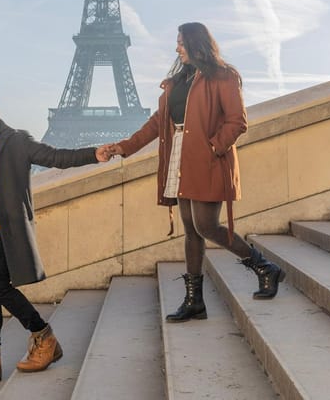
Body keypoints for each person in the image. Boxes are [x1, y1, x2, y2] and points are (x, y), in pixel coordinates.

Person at [105, 22, 284, 322]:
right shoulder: (180, 80)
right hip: (180, 154)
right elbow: (156, 123)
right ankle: (194, 301)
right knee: (191, 230)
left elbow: (237, 121)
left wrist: (212, 148)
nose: (177, 48)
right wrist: (124, 147)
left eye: (181, 43)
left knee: (206, 226)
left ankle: (264, 267)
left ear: (196, 44)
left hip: (207, 159)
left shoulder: (224, 76)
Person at [0, 85, 112, 384]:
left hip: (1, 228)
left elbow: (55, 156)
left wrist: (92, 154)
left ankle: (44, 336)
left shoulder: (15, 140)